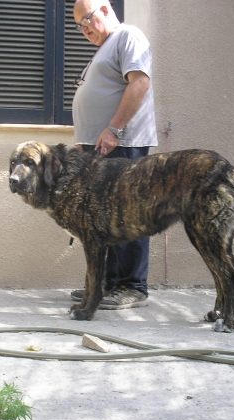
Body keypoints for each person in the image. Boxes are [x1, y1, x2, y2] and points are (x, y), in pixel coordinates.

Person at [71, 0, 157, 309]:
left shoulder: (127, 36)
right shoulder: (104, 49)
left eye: (87, 19)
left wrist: (114, 129)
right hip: (101, 149)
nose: (84, 29)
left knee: (128, 213)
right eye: (79, 25)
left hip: (123, 144)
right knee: (102, 217)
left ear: (105, 10)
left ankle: (133, 286)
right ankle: (104, 285)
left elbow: (140, 83)